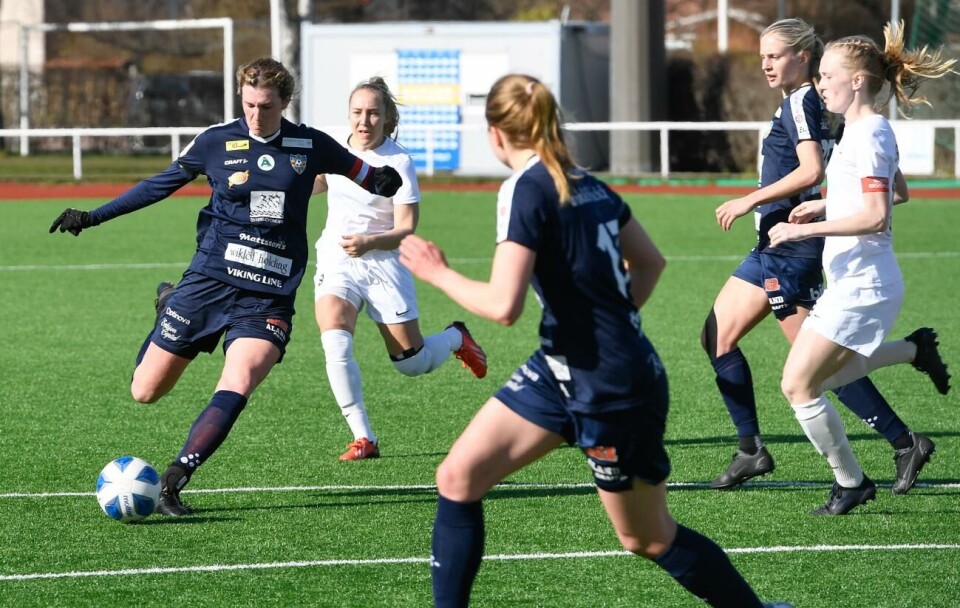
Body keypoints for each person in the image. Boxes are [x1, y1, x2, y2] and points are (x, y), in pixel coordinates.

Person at [399, 74, 790, 608]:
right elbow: (651, 262)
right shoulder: (585, 180)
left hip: (607, 385)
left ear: (495, 135)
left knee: (646, 537)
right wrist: (606, 321)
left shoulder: (526, 187)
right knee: (458, 477)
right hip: (565, 366)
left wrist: (437, 272)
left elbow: (503, 306)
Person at [49, 57, 402, 516]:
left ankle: (176, 478)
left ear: (285, 102)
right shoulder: (216, 141)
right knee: (145, 391)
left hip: (269, 294)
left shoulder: (311, 144)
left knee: (241, 377)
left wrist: (384, 180)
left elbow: (367, 174)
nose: (256, 114)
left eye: (267, 106)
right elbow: (159, 185)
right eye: (249, 104)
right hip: (209, 282)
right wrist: (92, 216)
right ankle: (169, 304)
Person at [704, 18, 938, 495]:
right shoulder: (822, 104)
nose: (766, 64)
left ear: (804, 57)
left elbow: (813, 169)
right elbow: (861, 184)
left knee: (811, 368)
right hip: (775, 243)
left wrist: (754, 200)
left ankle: (897, 442)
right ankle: (752, 448)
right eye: (763, 56)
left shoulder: (806, 102)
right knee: (718, 335)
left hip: (792, 247)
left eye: (775, 56)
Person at [767, 22, 954, 515]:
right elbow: (898, 191)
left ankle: (850, 482)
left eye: (827, 75)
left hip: (864, 286)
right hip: (857, 282)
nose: (821, 83)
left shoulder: (869, 133)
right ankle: (916, 350)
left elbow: (876, 214)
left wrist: (802, 229)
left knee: (798, 385)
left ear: (856, 81)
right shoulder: (862, 131)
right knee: (828, 380)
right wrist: (823, 205)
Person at [311, 77, 487, 461]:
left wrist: (371, 242)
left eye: (373, 112)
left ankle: (456, 338)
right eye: (357, 112)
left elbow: (406, 226)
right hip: (337, 260)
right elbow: (315, 182)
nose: (364, 120)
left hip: (383, 262)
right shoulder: (336, 151)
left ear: (388, 118)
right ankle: (364, 438)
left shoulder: (398, 161)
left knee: (412, 363)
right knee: (335, 342)